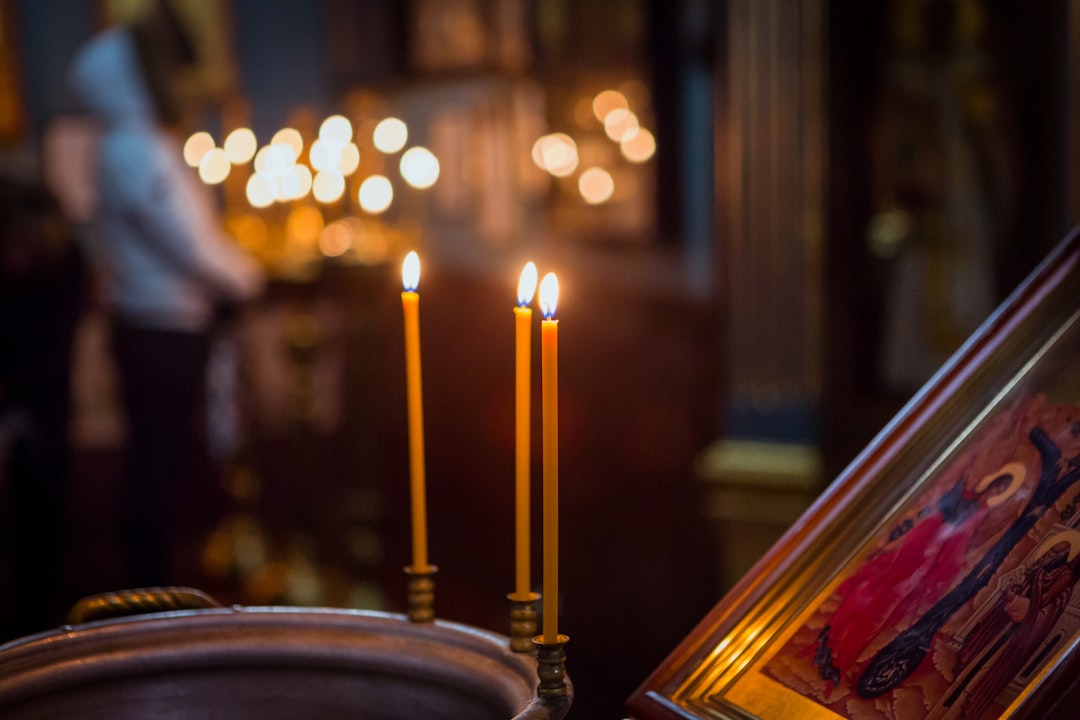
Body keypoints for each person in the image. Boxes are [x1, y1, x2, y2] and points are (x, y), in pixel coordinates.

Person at [66, 0, 264, 588]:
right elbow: (186, 241)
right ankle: (151, 592)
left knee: (162, 461)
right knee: (158, 465)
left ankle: (153, 583)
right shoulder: (133, 149)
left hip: (157, 322)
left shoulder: (134, 143)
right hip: (160, 330)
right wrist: (247, 276)